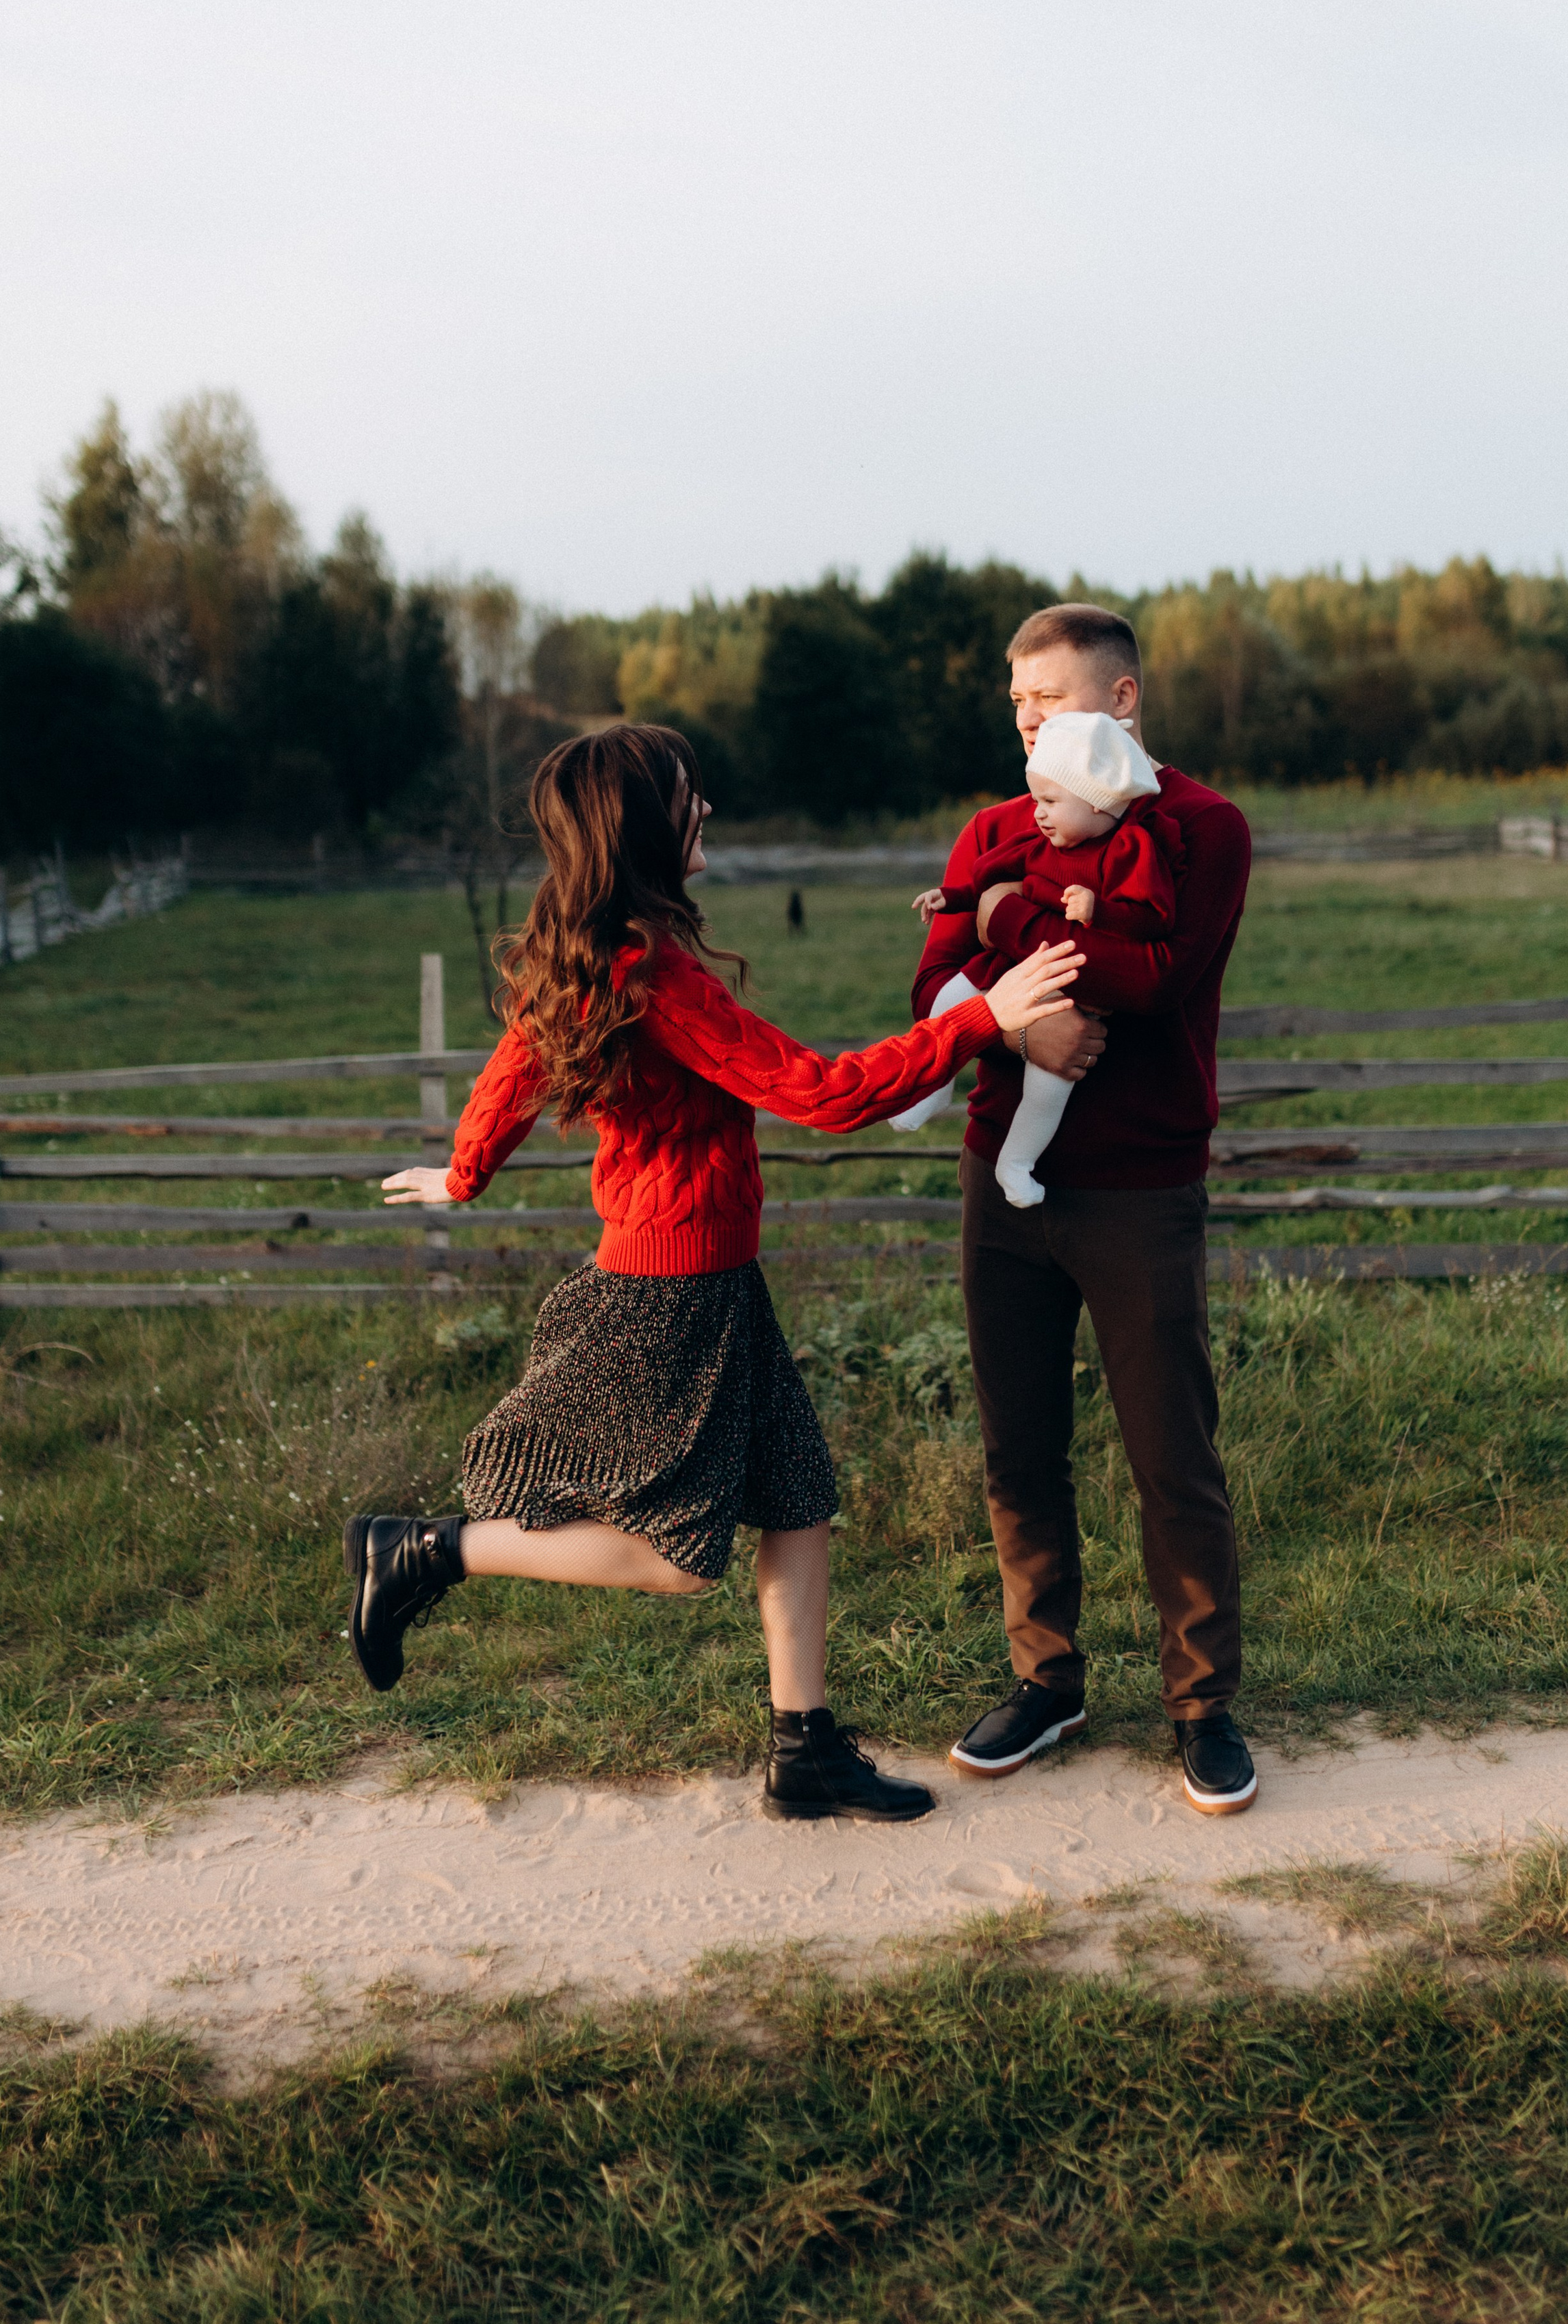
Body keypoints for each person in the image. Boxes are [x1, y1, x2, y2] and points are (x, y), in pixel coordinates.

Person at [341, 722, 1085, 1824]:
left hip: (711, 1276)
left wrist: (465, 1172)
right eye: (690, 795)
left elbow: (513, 1061)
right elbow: (824, 1094)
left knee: (798, 1501)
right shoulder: (653, 975)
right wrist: (985, 1018)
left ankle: (804, 1751)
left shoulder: (603, 947)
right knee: (680, 1556)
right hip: (670, 1291)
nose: (707, 811)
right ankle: (424, 1551)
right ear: (647, 823)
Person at [912, 607, 1257, 1815]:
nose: (1025, 720)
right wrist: (1024, 1025)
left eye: (1046, 698)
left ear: (1120, 701)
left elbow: (1156, 981)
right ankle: (1046, 1681)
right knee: (1020, 1446)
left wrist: (1001, 923)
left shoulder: (1204, 827)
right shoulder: (994, 827)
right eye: (1016, 701)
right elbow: (933, 981)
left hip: (1141, 1184)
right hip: (1002, 1174)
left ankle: (1202, 1704)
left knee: (1172, 1454)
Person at [889, 710, 1179, 1210]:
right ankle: (934, 1087)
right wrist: (950, 897)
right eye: (1036, 799)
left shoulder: (1130, 849)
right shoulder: (1038, 840)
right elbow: (986, 876)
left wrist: (1100, 909)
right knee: (948, 1000)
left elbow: (1154, 917)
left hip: (1069, 993)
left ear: (1097, 800)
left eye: (1050, 801)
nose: (1038, 813)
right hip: (1010, 970)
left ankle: (1017, 1163)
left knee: (1049, 1084)